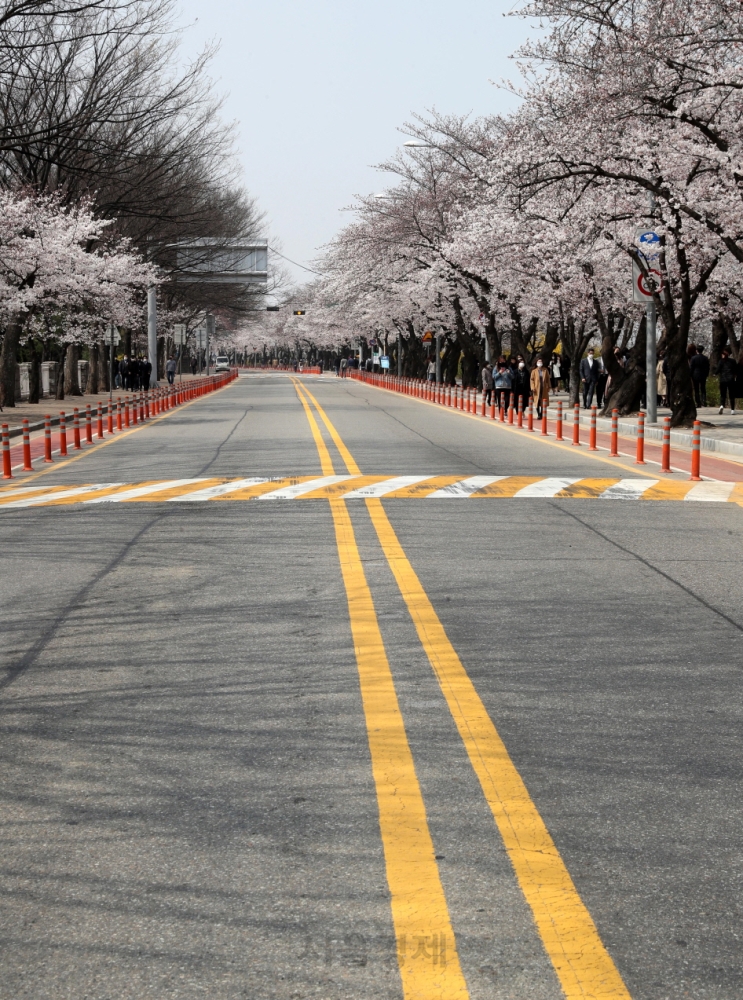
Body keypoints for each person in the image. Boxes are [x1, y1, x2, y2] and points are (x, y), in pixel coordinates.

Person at [716, 348, 737, 414]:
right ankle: (732, 409)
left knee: (723, 394)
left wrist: (715, 373)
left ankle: (722, 405)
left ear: (723, 355)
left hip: (723, 380)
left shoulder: (721, 361)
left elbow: (718, 370)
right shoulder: (733, 361)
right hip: (731, 379)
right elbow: (736, 370)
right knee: (731, 394)